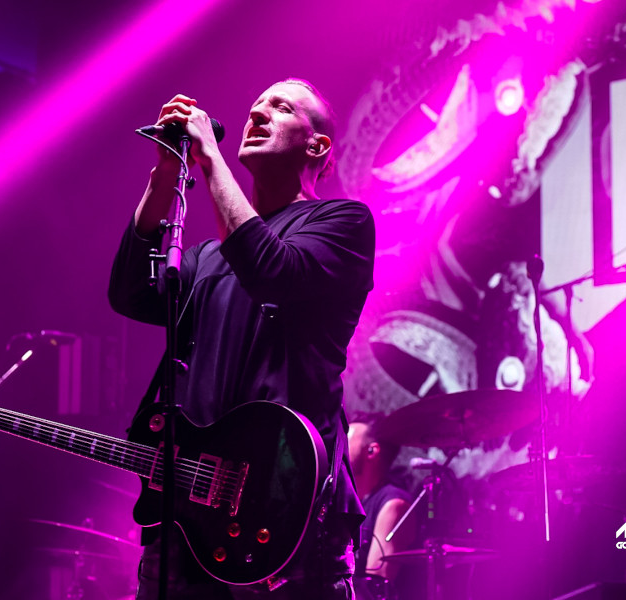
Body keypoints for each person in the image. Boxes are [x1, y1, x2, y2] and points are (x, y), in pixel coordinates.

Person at [108, 79, 375, 599]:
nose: (258, 113)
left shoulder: (342, 222)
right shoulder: (207, 256)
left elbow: (272, 270)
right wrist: (164, 177)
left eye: (280, 107)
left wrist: (210, 158)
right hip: (190, 516)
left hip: (287, 513)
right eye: (255, 106)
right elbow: (130, 294)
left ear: (317, 146)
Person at [347, 412, 417, 600]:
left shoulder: (394, 505)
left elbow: (372, 591)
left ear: (372, 451)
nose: (338, 449)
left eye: (346, 441)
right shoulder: (353, 501)